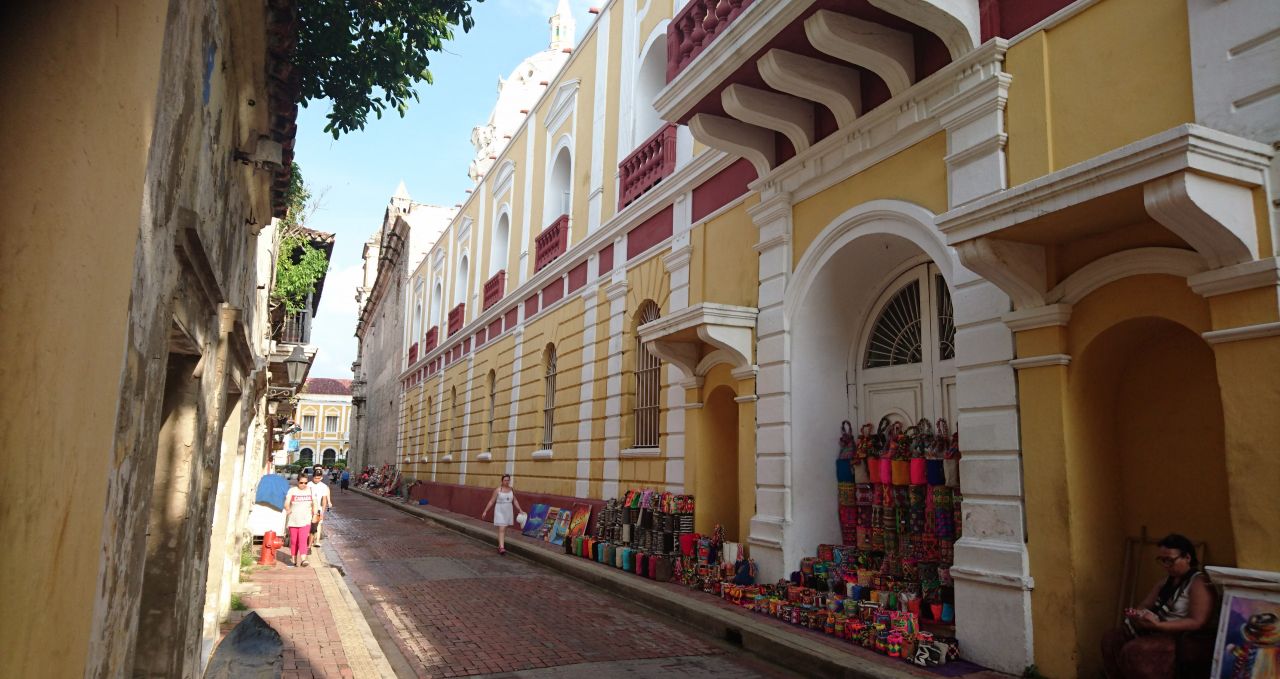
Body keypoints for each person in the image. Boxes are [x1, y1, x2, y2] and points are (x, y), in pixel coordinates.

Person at [1102, 533, 1215, 679]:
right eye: (1162, 560)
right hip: (1155, 627)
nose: (1166, 565)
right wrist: (1139, 614)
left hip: (1180, 635)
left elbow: (1197, 622)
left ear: (1187, 558)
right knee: (1111, 639)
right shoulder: (1166, 581)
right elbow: (1145, 604)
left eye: (1170, 560)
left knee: (1135, 651)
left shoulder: (1199, 582)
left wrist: (1160, 626)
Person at [481, 473, 524, 555]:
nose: (507, 482)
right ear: (502, 481)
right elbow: (491, 501)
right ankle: (501, 547)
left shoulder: (511, 490)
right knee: (502, 528)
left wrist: (520, 509)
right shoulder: (498, 490)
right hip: (499, 510)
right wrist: (485, 511)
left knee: (504, 529)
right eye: (505, 480)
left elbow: (515, 501)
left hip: (508, 511)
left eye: (508, 480)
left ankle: (500, 545)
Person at [283, 476, 318, 567]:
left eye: (305, 483)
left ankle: (303, 559)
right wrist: (287, 508)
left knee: (302, 540)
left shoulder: (311, 490)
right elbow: (287, 502)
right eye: (301, 483)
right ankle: (294, 560)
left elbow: (315, 504)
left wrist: (314, 516)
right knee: (294, 541)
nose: (303, 485)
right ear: (297, 482)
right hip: (293, 520)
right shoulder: (292, 490)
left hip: (306, 520)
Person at [309, 470, 332, 545]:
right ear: (313, 477)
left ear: (321, 478)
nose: (317, 480)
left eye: (318, 478)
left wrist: (322, 511)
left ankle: (317, 541)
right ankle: (310, 541)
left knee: (318, 524)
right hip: (308, 509)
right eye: (315, 478)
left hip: (318, 508)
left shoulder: (323, 486)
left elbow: (324, 500)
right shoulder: (309, 485)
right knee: (310, 525)